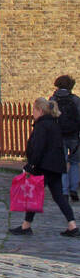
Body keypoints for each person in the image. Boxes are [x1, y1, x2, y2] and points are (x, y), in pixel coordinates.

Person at [10, 97, 78, 238]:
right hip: (56, 166)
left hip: (44, 166)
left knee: (34, 195)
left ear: (40, 110)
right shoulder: (54, 124)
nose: (32, 113)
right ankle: (72, 225)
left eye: (34, 110)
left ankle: (26, 226)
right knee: (59, 196)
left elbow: (39, 147)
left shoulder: (42, 125)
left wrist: (31, 165)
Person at [50, 74, 80, 203]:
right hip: (74, 135)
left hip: (58, 136)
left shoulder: (52, 99)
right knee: (74, 163)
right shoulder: (76, 100)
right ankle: (74, 188)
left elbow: (50, 118)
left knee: (62, 163)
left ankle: (64, 191)